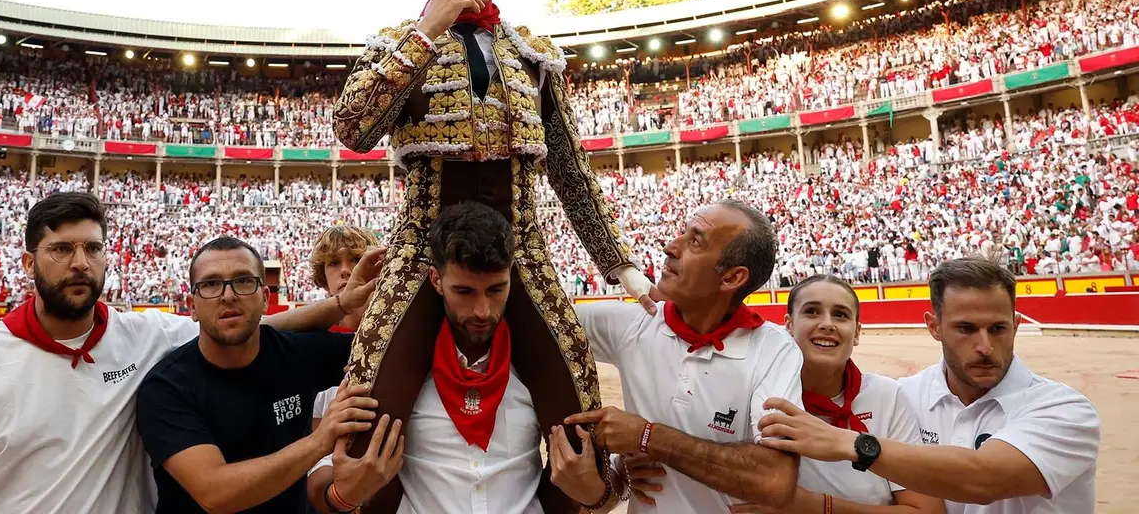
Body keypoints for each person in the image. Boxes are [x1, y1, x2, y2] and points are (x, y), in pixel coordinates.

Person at [332, 0, 655, 513]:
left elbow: (570, 170)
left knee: (574, 402)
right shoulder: (397, 45)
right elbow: (353, 129)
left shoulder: (534, 57)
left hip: (520, 255)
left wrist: (620, 265)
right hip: (419, 255)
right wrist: (425, 32)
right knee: (371, 407)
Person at [0, 192, 379, 514]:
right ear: (28, 262)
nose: (79, 263)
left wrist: (340, 305)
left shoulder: (143, 336)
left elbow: (243, 325)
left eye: (92, 249)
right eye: (61, 250)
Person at [307, 202, 614, 513]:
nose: (482, 311)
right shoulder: (394, 364)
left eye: (496, 290)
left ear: (512, 277)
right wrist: (343, 496)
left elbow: (608, 488)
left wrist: (596, 494)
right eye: (464, 292)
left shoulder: (539, 358)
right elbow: (321, 480)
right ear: (435, 281)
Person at [756, 257, 1100, 513]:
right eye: (966, 329)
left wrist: (846, 444)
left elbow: (983, 479)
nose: (984, 346)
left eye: (997, 329)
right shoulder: (904, 395)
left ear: (1016, 324)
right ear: (934, 327)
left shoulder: (1064, 411)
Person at [566, 200, 802, 513]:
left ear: (732, 278)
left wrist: (647, 437)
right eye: (683, 233)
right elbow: (539, 324)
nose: (670, 247)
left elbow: (775, 479)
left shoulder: (773, 349)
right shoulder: (634, 323)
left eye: (695, 241)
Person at [135, 236, 378, 513]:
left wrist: (374, 294)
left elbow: (383, 350)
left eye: (243, 281)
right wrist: (318, 441)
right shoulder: (166, 387)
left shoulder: (297, 352)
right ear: (192, 306)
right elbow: (215, 493)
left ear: (265, 298)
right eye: (211, 284)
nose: (228, 295)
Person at [728, 274, 942, 513]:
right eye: (812, 311)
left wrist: (814, 507)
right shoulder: (755, 397)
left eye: (840, 314)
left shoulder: (888, 397)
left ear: (857, 332)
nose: (827, 324)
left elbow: (928, 511)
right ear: (789, 325)